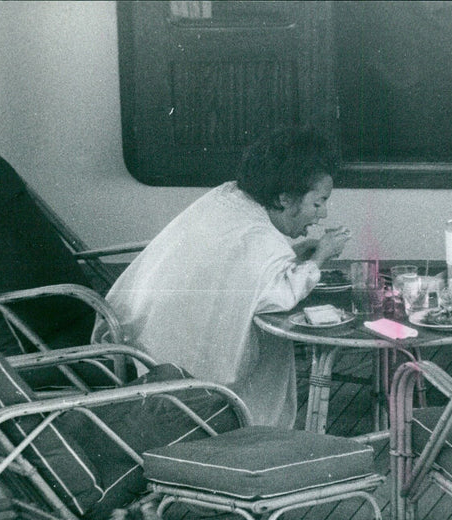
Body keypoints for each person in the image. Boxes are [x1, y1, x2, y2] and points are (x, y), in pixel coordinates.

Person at [93, 126, 351, 427]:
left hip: (142, 337)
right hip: (172, 366)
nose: (323, 214)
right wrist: (319, 257)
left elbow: (242, 270)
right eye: (318, 202)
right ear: (283, 198)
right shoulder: (258, 234)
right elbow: (276, 298)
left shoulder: (229, 198)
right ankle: (256, 436)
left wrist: (294, 256)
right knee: (266, 354)